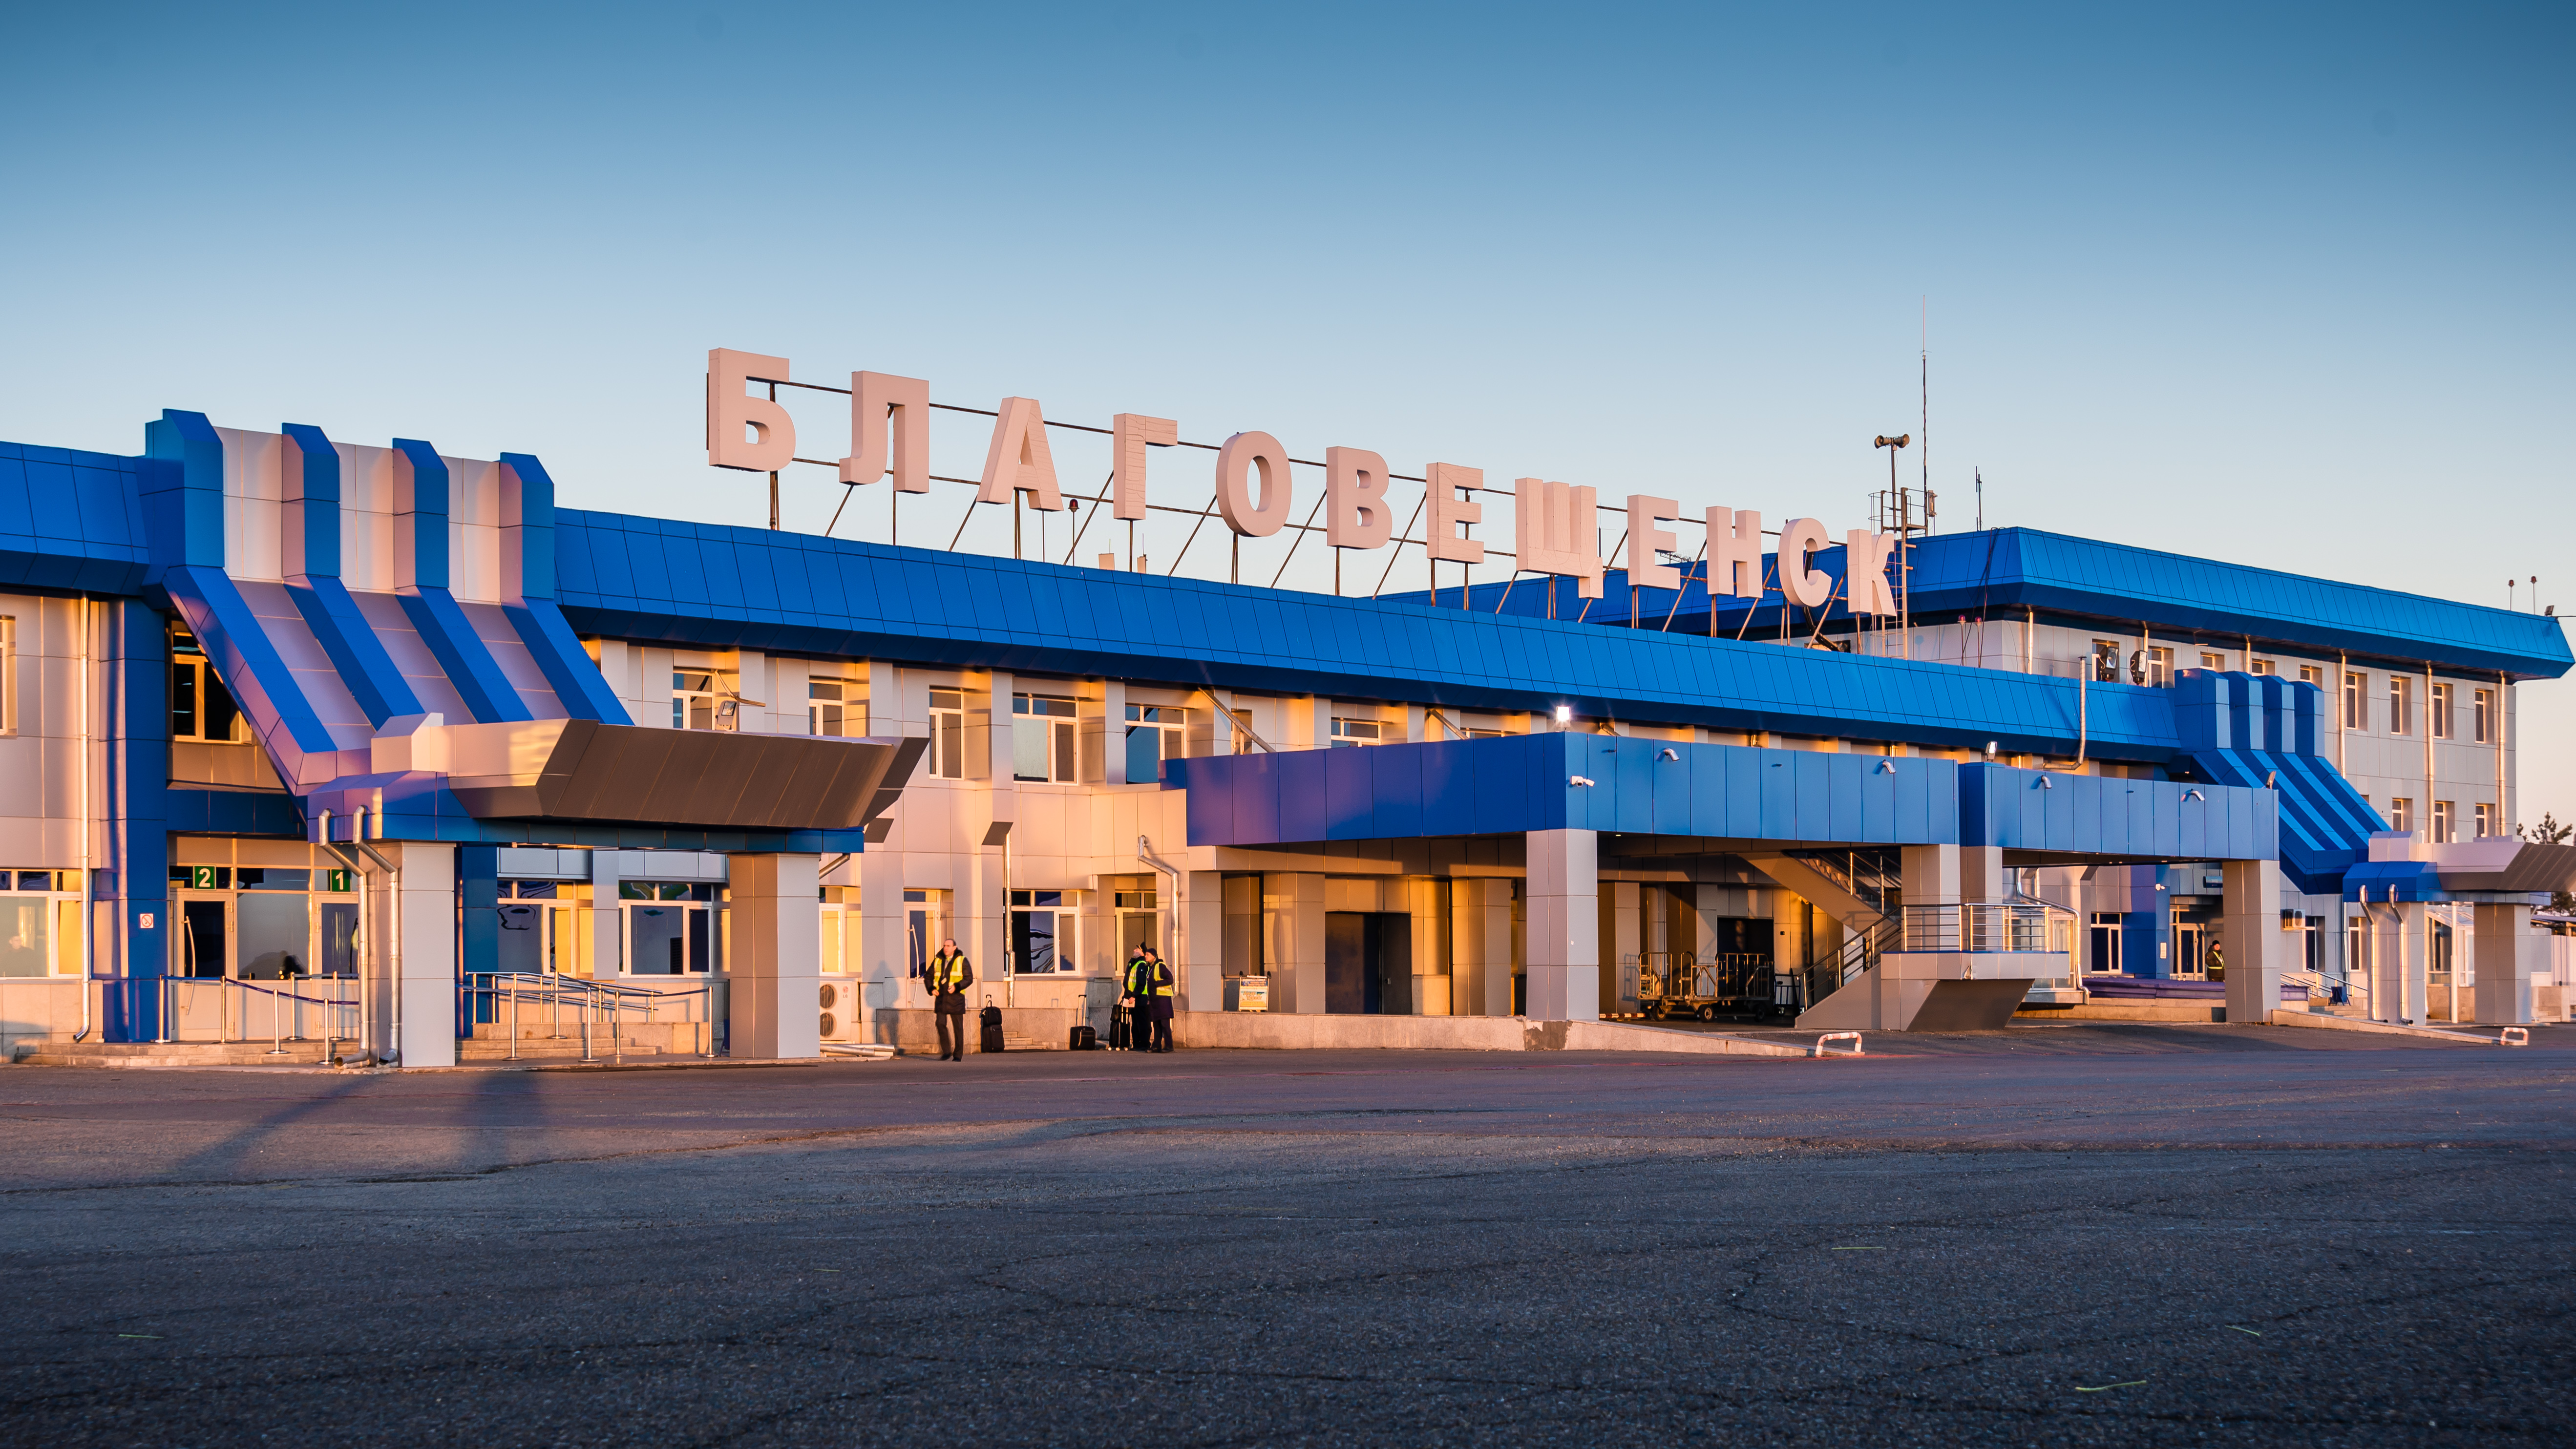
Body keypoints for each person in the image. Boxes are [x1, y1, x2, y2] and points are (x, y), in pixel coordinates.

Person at [926, 937, 973, 1061]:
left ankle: (958, 1055)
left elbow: (969, 978)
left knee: (958, 1028)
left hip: (956, 999)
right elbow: (928, 976)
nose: (945, 948)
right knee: (940, 1024)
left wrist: (957, 987)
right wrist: (931, 989)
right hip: (941, 999)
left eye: (948, 946)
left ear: (954, 948)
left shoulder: (962, 960)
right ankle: (947, 1051)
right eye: (944, 946)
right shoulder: (938, 960)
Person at [1126, 945, 1176, 1053]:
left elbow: (1170, 979)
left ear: (1154, 956)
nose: (1146, 956)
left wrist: (1157, 984)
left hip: (1163, 1001)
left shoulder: (1160, 966)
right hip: (1155, 1001)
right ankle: (1156, 1046)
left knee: (1165, 1025)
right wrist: (1149, 999)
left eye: (1148, 955)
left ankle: (1169, 1046)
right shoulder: (1151, 968)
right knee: (1156, 1025)